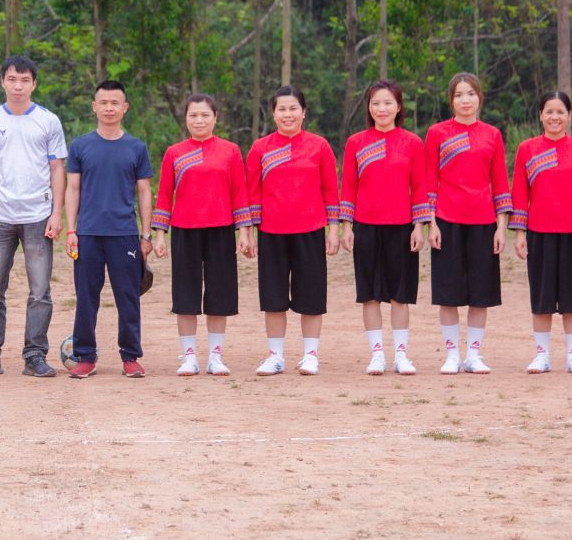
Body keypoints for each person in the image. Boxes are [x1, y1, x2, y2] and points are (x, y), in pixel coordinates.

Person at [0, 55, 68, 378]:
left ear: (34, 84)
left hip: (38, 216)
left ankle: (35, 354)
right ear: (3, 82)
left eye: (24, 80)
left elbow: (57, 168)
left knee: (40, 291)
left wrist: (56, 213)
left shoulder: (48, 121)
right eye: (12, 79)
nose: (18, 86)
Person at [151, 94, 252, 376]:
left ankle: (215, 357)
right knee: (186, 295)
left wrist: (244, 231)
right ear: (186, 119)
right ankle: (189, 356)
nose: (199, 120)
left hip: (221, 229)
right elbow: (164, 195)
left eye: (205, 115)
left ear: (215, 118)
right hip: (185, 230)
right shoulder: (174, 153)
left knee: (219, 294)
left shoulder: (230, 151)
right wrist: (160, 234)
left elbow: (239, 193)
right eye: (193, 115)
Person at [508, 92, 572, 375]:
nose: (554, 117)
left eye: (560, 112)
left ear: (569, 116)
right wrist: (520, 233)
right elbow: (520, 192)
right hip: (539, 233)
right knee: (542, 299)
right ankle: (542, 355)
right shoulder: (527, 149)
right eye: (549, 112)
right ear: (540, 115)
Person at [337, 80, 430, 376]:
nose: (382, 109)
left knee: (400, 295)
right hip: (365, 227)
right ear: (369, 107)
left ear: (398, 106)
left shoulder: (412, 143)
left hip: (402, 228)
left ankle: (401, 355)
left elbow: (419, 187)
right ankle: (377, 354)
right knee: (370, 294)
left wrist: (419, 226)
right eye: (376, 103)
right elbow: (348, 187)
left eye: (388, 103)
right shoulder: (356, 142)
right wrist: (347, 226)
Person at [63, 81, 155, 379]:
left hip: (124, 234)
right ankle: (85, 356)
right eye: (103, 102)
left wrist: (146, 235)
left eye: (115, 103)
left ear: (125, 107)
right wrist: (71, 230)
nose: (109, 108)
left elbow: (144, 192)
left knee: (128, 297)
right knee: (86, 297)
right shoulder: (80, 146)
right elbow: (73, 189)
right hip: (88, 233)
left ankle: (130, 356)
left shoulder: (136, 148)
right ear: (94, 107)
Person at [245, 86, 339, 376]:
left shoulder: (319, 146)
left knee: (311, 295)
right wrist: (248, 231)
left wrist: (333, 228)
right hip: (271, 231)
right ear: (273, 114)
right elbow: (252, 193)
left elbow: (330, 190)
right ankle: (276, 356)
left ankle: (310, 355)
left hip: (310, 230)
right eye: (282, 109)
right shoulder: (260, 148)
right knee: (273, 297)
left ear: (303, 112)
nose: (288, 114)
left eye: (293, 108)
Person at [423, 72, 511, 374]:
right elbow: (429, 181)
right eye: (459, 95)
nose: (465, 100)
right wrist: (431, 223)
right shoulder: (436, 133)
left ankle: (473, 354)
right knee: (448, 294)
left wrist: (501, 227)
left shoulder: (492, 135)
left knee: (480, 294)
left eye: (471, 94)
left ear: (479, 98)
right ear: (451, 100)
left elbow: (500, 183)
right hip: (446, 221)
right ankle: (451, 355)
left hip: (483, 223)